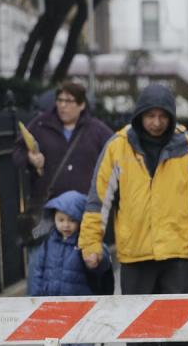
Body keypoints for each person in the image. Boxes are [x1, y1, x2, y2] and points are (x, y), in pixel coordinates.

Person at [79, 84, 188, 346]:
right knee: (137, 323)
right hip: (135, 251)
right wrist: (90, 242)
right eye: (150, 116)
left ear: (171, 117)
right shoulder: (117, 147)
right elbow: (98, 200)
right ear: (139, 115)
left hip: (179, 249)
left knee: (178, 320)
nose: (156, 122)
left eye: (162, 116)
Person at [12, 81, 113, 292]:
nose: (63, 106)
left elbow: (115, 158)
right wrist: (32, 159)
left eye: (69, 101)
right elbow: (17, 152)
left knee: (80, 270)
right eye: (59, 100)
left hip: (82, 213)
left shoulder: (96, 130)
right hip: (47, 212)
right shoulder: (41, 124)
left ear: (82, 104)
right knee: (39, 266)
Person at [29, 190, 111, 346]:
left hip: (80, 309)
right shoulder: (47, 244)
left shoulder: (87, 242)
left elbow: (101, 266)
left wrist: (97, 260)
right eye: (61, 220)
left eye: (72, 220)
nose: (65, 225)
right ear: (53, 219)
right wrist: (35, 299)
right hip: (53, 308)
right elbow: (37, 270)